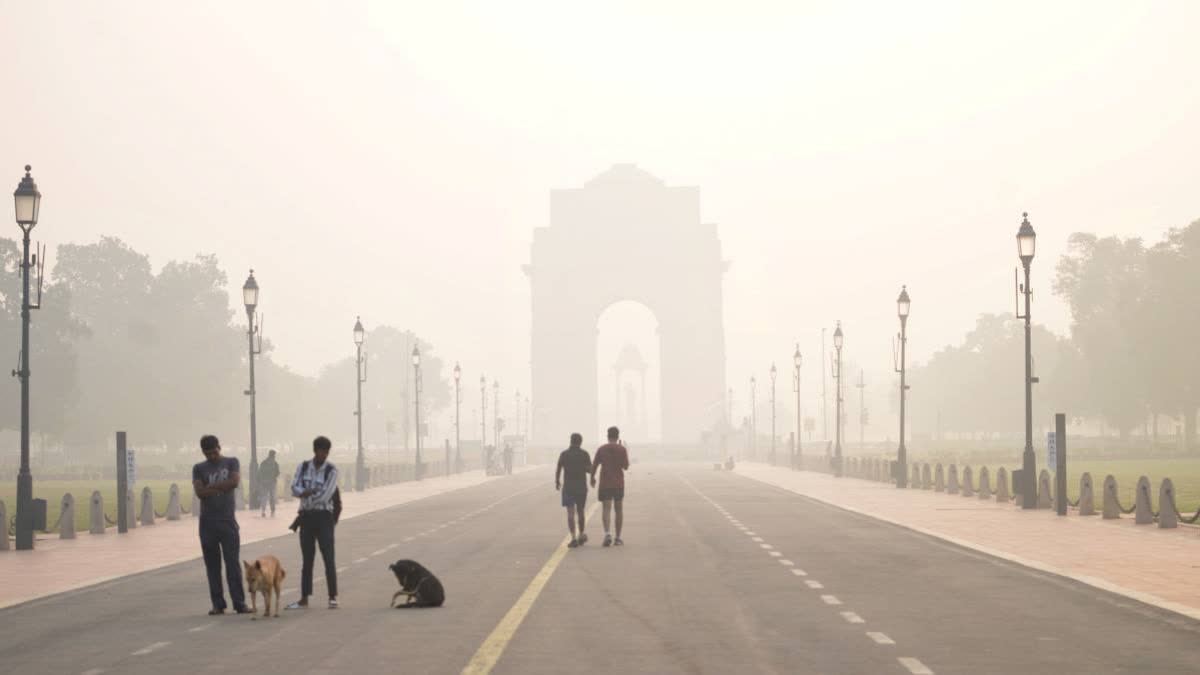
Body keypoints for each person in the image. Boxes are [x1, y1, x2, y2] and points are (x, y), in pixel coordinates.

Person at [192, 435, 250, 615]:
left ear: (220, 447)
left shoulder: (232, 462)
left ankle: (239, 603)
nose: (212, 457)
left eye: (215, 452)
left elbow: (234, 482)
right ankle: (218, 604)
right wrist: (221, 488)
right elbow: (199, 492)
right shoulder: (198, 468)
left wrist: (211, 488)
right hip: (207, 523)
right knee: (212, 566)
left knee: (232, 564)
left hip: (227, 521)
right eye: (208, 454)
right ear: (203, 452)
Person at [286, 436, 340, 610]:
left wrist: (305, 494)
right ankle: (304, 598)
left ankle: (332, 597)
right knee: (307, 559)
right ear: (315, 451)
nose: (324, 455)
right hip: (306, 518)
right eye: (321, 451)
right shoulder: (303, 467)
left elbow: (326, 494)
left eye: (326, 452)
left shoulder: (332, 470)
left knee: (328, 558)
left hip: (324, 517)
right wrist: (307, 492)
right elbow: (293, 487)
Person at [592, 426, 630, 547]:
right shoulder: (622, 449)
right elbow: (626, 466)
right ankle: (618, 538)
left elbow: (595, 465)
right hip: (618, 483)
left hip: (605, 483)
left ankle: (607, 533)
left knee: (606, 509)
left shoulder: (601, 449)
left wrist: (592, 478)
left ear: (608, 436)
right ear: (617, 436)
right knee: (618, 510)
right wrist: (625, 450)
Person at [555, 433, 593, 548]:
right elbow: (590, 470)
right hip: (581, 488)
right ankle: (581, 534)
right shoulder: (584, 454)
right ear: (580, 442)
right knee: (581, 511)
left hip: (568, 488)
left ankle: (573, 538)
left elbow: (558, 469)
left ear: (571, 441)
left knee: (570, 513)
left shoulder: (564, 454)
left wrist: (557, 481)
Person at [258, 449, 280, 518]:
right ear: (273, 455)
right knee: (272, 497)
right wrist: (274, 476)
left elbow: (260, 472)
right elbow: (277, 472)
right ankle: (272, 511)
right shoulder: (275, 463)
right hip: (272, 482)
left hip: (264, 483)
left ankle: (263, 511)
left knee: (264, 497)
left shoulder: (263, 463)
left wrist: (261, 481)